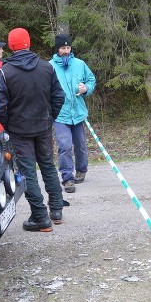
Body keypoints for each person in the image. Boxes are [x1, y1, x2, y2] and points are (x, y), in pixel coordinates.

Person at [0, 27, 65, 232]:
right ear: (28, 43)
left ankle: (41, 216)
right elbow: (58, 96)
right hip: (41, 125)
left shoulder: (5, 71)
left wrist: (7, 125)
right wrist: (50, 117)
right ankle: (56, 210)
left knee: (28, 172)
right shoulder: (46, 67)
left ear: (11, 46)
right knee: (48, 166)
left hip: (21, 128)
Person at [50, 34, 96, 193]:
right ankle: (67, 178)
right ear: (57, 49)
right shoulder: (49, 67)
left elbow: (91, 80)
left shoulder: (80, 64)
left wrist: (86, 89)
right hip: (60, 115)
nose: (66, 51)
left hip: (78, 113)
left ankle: (81, 169)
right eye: (63, 48)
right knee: (64, 145)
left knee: (81, 145)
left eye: (68, 47)